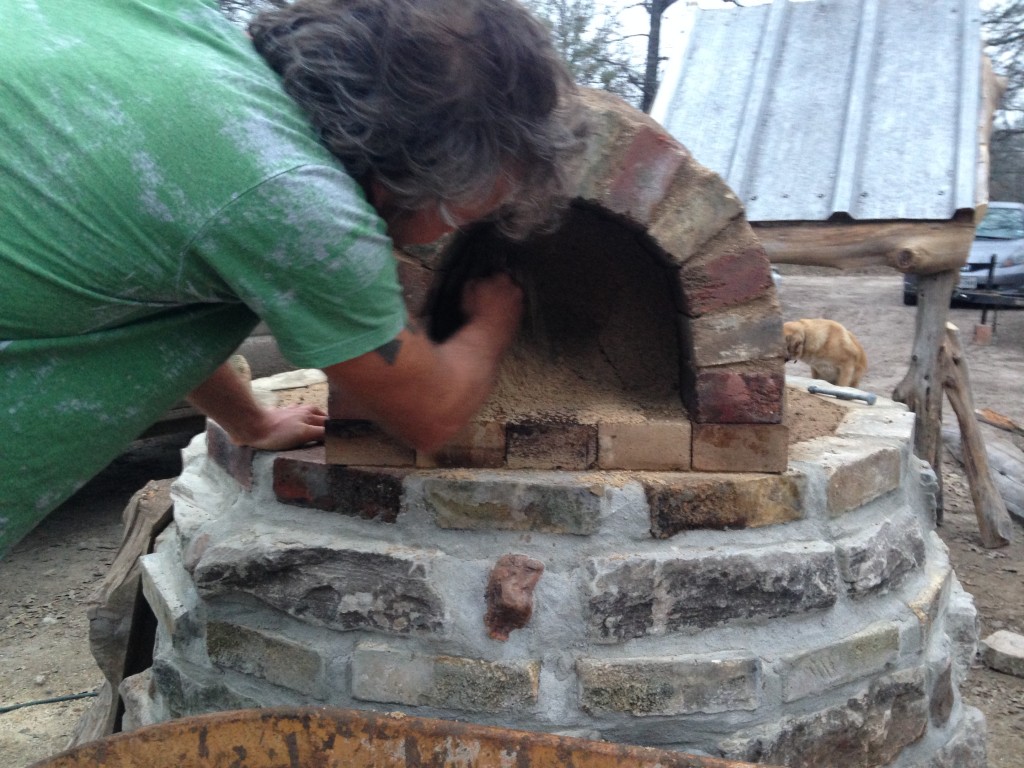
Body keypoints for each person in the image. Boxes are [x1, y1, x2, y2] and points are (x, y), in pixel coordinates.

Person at [0, 0, 584, 557]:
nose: (448, 231)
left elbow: (160, 284)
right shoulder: (301, 207)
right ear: (403, 177)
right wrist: (491, 321)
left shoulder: (178, 27)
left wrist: (247, 421)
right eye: (462, 212)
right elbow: (429, 413)